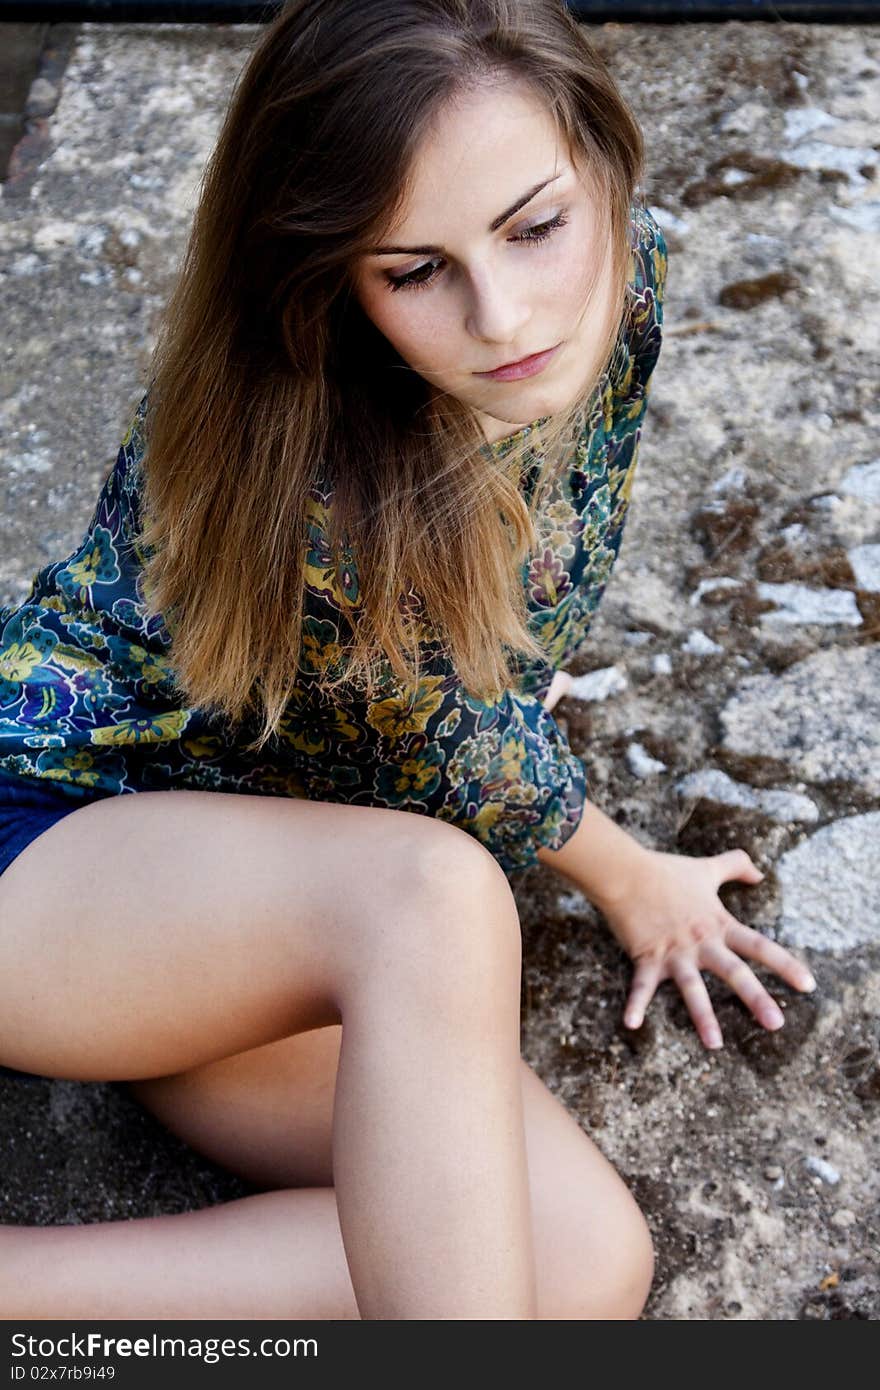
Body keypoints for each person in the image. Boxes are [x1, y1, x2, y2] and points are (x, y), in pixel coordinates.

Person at [0, 0, 815, 1321]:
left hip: (282, 876)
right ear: (333, 275)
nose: (503, 313)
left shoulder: (630, 280)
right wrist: (625, 873)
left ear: (606, 159)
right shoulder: (332, 466)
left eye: (536, 224)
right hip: (66, 853)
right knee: (439, 895)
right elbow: (476, 759)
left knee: (584, 1265)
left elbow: (517, 619)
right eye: (414, 269)